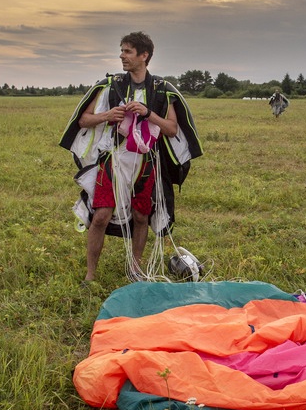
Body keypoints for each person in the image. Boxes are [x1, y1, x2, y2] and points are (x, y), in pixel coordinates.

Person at [59, 32, 202, 282]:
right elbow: (84, 119)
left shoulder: (160, 90)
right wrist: (107, 116)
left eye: (127, 51)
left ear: (143, 56)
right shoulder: (111, 86)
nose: (121, 56)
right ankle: (90, 275)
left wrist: (148, 114)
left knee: (141, 216)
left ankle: (135, 270)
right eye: (121, 51)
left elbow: (171, 129)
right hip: (112, 160)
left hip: (146, 163)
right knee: (101, 215)